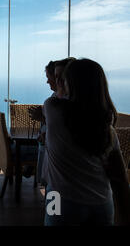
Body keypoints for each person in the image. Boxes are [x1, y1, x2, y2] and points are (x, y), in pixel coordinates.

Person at [43, 58, 130, 226]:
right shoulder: (107, 129)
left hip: (58, 199)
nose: (58, 82)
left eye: (63, 79)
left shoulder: (52, 109)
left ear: (71, 85)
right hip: (101, 204)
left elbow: (58, 98)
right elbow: (119, 179)